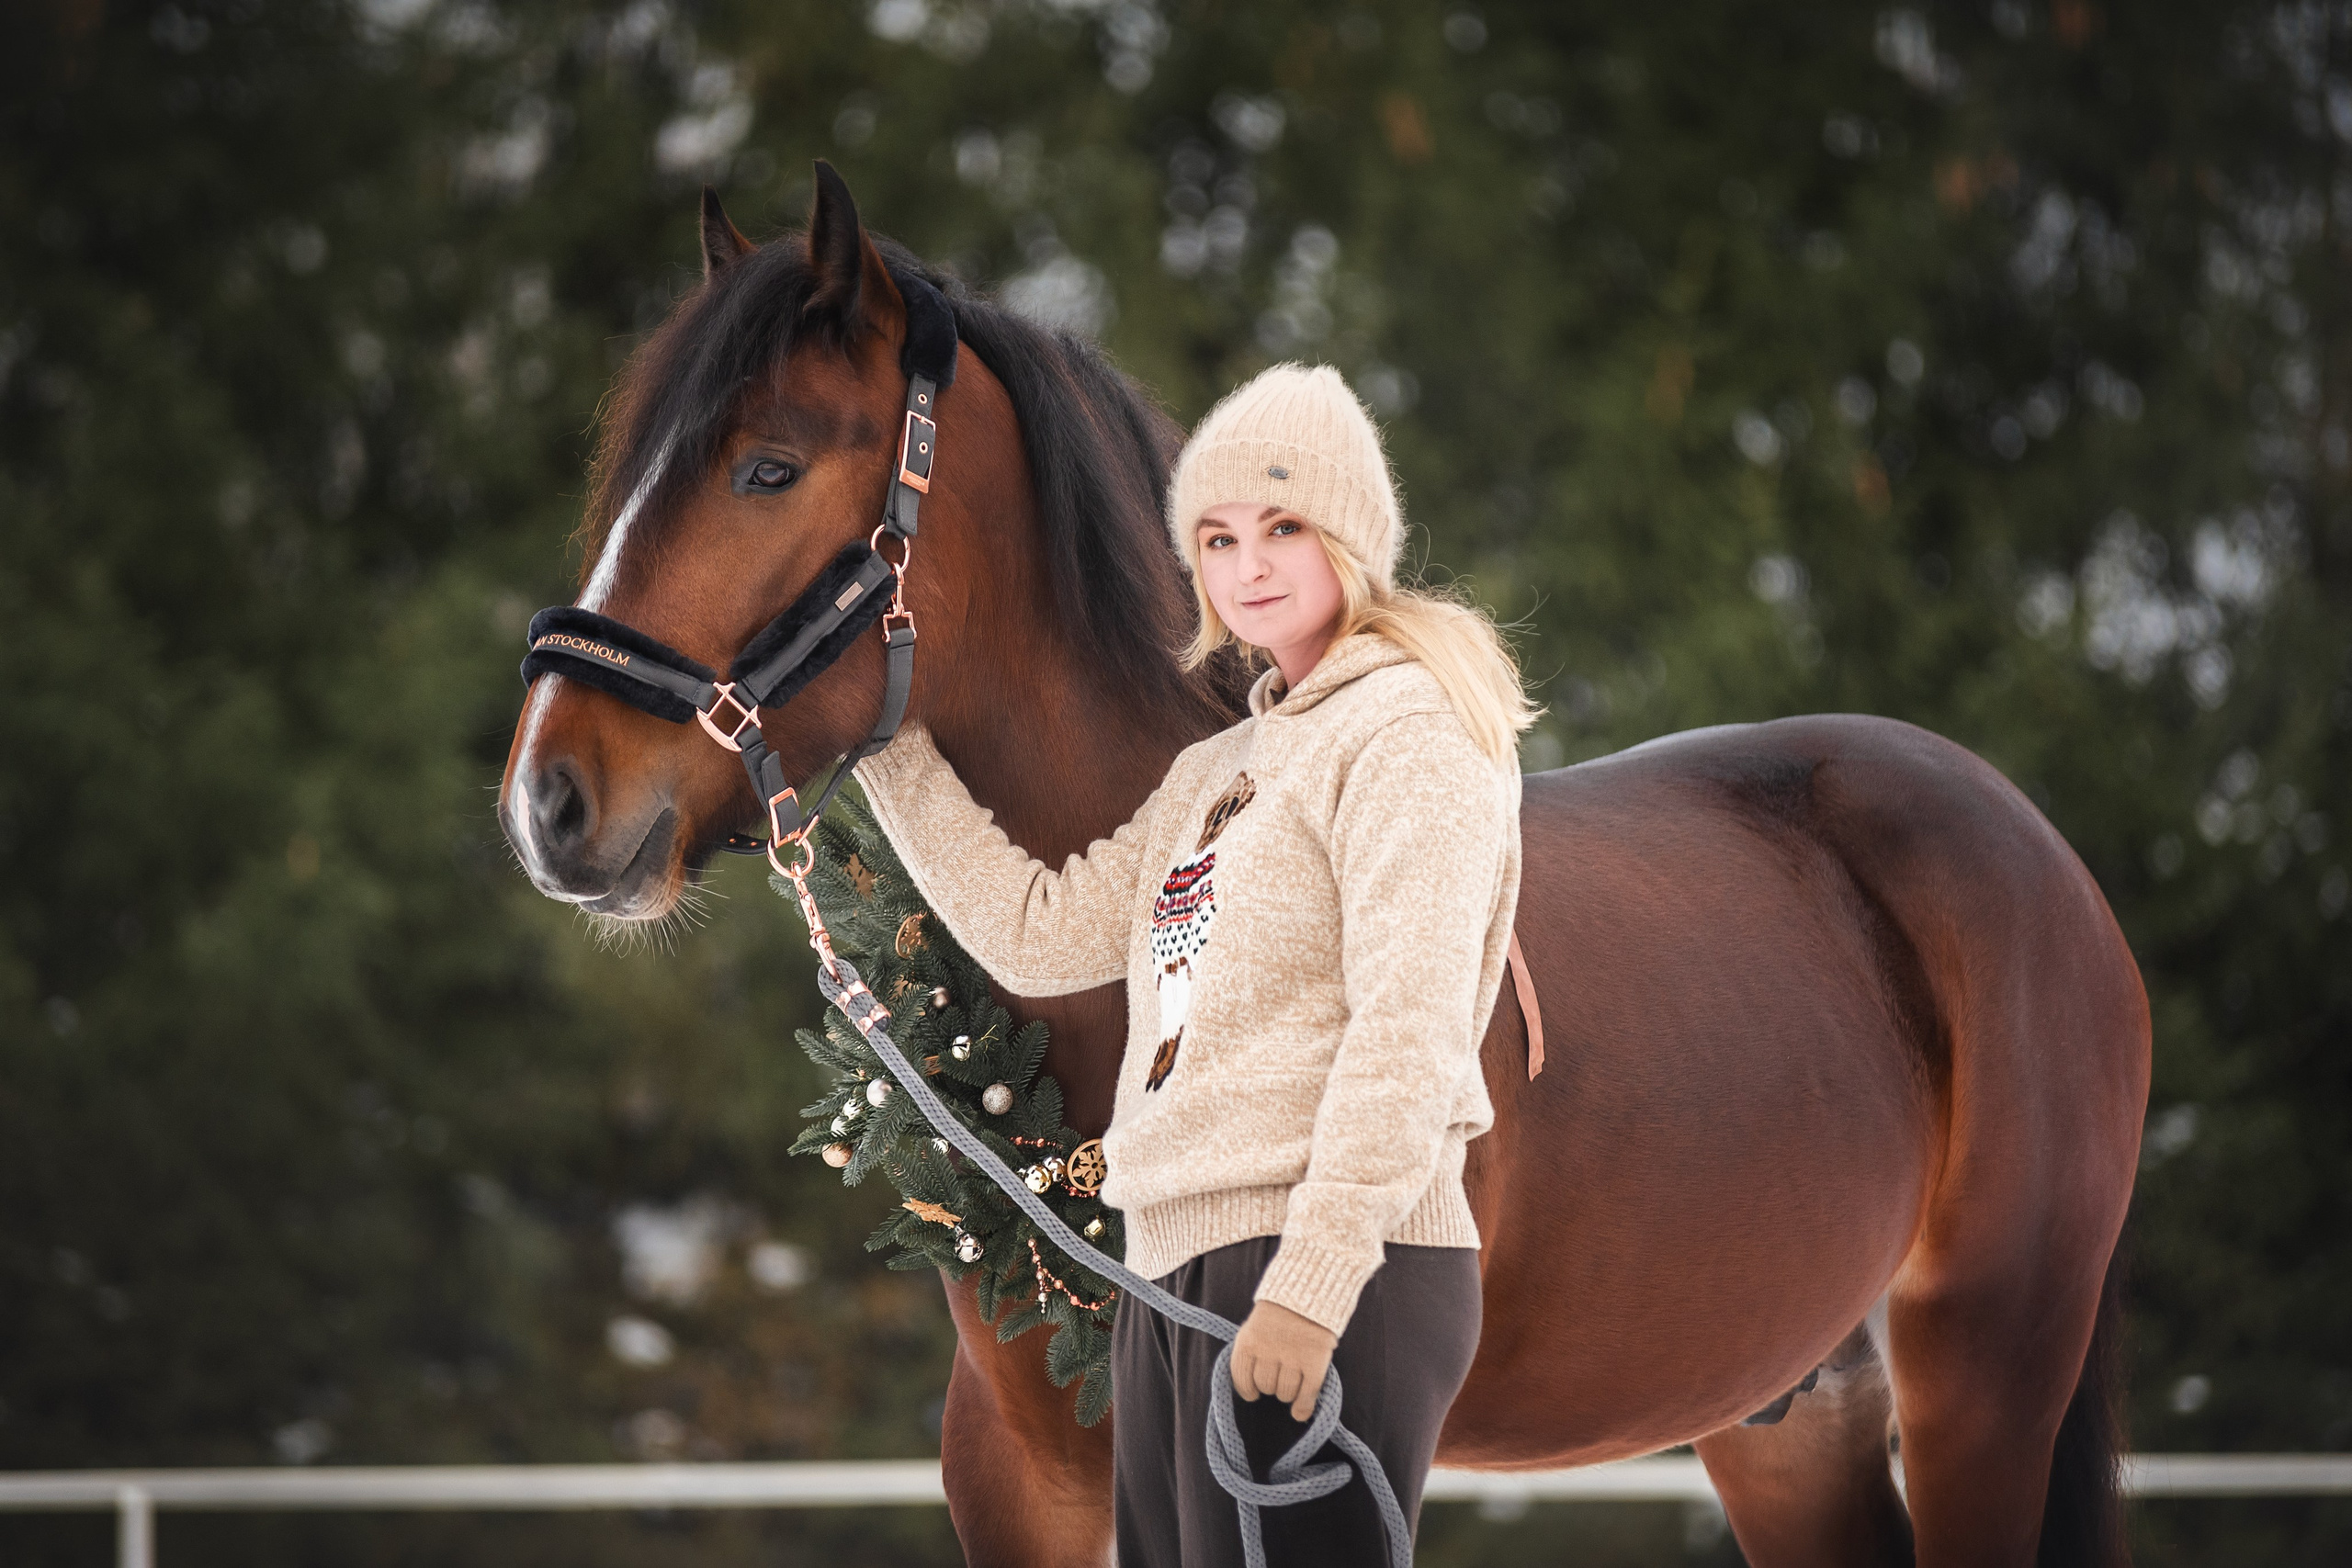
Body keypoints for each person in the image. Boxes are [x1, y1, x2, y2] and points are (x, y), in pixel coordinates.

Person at [853, 362, 1533, 1565]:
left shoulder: (1409, 734)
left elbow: (1411, 1032)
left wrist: (1315, 1282)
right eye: (1218, 538)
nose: (1249, 565)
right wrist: (878, 743)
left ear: (1354, 539)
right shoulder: (1222, 770)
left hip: (1332, 1272)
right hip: (1174, 1272)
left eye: (1283, 527)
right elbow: (1038, 928)